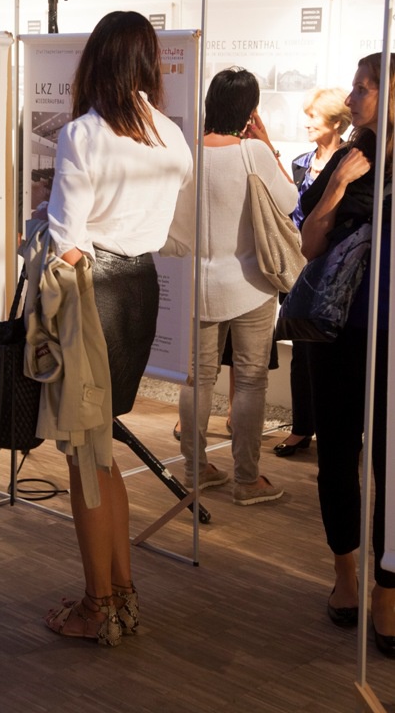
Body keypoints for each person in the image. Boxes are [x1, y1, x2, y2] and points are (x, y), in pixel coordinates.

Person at [41, 11, 194, 645]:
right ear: (148, 63)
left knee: (87, 457)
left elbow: (67, 239)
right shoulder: (171, 135)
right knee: (104, 452)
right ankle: (121, 596)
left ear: (96, 60)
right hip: (140, 286)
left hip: (93, 291)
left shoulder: (84, 133)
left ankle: (96, 605)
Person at [300, 52, 395, 656]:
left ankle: (387, 590)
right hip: (336, 332)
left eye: (366, 88)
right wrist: (337, 186)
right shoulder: (345, 159)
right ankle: (346, 574)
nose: (354, 97)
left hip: (392, 336)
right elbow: (308, 244)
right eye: (357, 87)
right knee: (336, 454)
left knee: (392, 467)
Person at [179, 67, 297, 504]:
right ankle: (247, 481)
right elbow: (290, 201)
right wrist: (268, 145)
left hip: (197, 284)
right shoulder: (254, 153)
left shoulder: (188, 152)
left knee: (196, 379)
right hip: (251, 284)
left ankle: (194, 471)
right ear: (251, 110)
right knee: (249, 382)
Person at [274, 87, 350, 458]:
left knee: (338, 355)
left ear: (336, 123)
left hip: (335, 270)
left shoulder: (351, 163)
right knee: (301, 352)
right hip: (298, 268)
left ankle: (343, 431)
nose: (306, 124)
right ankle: (301, 428)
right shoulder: (301, 163)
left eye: (313, 117)